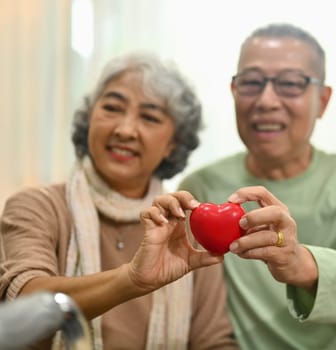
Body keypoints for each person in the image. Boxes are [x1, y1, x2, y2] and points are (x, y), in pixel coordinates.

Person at [176, 23, 336, 349]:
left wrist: (298, 262)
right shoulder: (201, 187)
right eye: (252, 83)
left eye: (290, 84)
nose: (267, 100)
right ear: (233, 93)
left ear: (323, 101)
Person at [0, 52, 238, 349]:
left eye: (149, 117)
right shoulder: (38, 206)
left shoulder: (190, 230)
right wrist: (131, 280)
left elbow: (213, 341)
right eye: (112, 108)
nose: (125, 130)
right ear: (89, 119)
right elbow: (27, 303)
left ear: (172, 144)